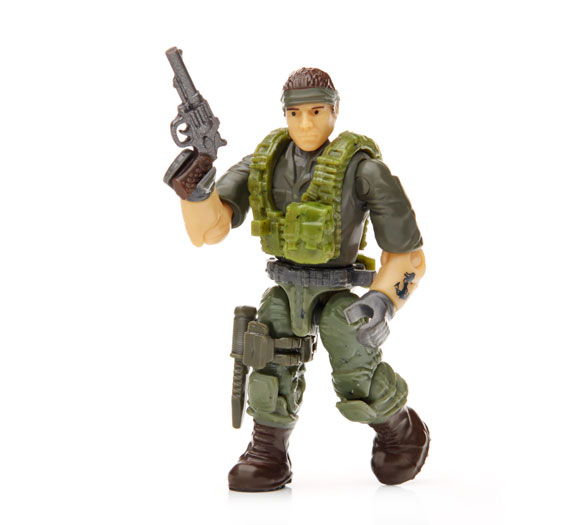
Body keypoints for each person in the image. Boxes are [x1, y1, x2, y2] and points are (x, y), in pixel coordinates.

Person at [172, 67, 430, 492]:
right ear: (285, 115)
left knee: (353, 355)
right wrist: (196, 188)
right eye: (295, 114)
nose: (306, 124)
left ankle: (398, 427)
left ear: (334, 112)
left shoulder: (364, 170)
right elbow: (210, 230)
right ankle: (268, 449)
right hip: (286, 285)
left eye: (316, 112)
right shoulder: (264, 163)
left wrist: (384, 299)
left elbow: (407, 254)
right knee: (269, 350)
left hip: (338, 288)